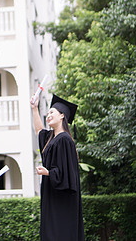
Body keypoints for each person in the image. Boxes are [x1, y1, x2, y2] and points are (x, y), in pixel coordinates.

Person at [31, 94, 85, 241]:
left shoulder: (65, 140)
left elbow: (67, 174)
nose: (48, 115)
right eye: (47, 113)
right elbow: (38, 131)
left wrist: (49, 172)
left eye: (52, 112)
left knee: (59, 233)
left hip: (62, 199)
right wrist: (34, 109)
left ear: (62, 116)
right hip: (51, 194)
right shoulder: (51, 138)